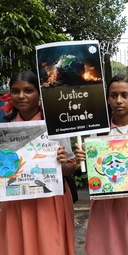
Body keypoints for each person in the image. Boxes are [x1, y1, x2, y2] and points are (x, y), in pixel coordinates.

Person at [75, 74, 128, 255]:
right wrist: (83, 157)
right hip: (107, 201)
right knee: (108, 247)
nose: (118, 100)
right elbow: (94, 165)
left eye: (125, 95)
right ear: (107, 99)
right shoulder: (98, 129)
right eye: (113, 95)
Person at [0, 71, 76, 255]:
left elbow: (71, 166)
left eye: (28, 90)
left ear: (39, 94)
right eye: (15, 91)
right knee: (18, 245)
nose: (21, 96)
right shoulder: (4, 128)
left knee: (51, 246)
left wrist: (62, 163)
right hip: (16, 200)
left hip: (50, 200)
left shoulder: (54, 123)